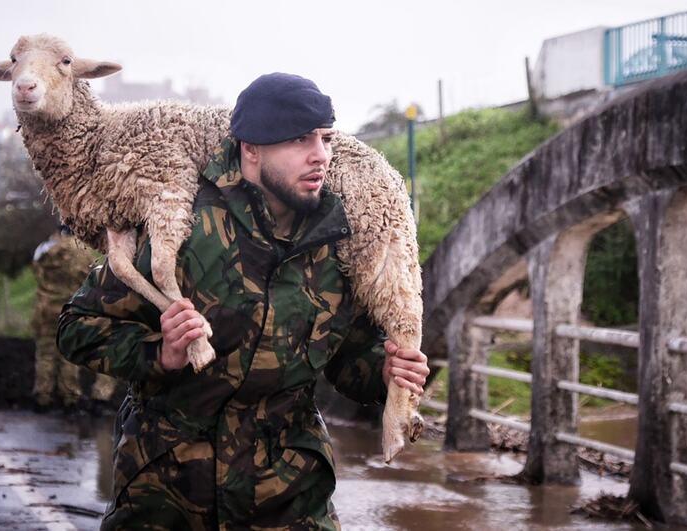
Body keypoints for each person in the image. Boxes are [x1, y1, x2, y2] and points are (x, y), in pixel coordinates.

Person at [57, 73, 430, 530]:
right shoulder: (182, 222)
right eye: (298, 140)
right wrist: (161, 354)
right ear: (250, 148)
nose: (321, 155)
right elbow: (77, 326)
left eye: (325, 138)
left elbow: (349, 358)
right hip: (171, 496)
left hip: (290, 498)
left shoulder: (339, 238)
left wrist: (384, 372)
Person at [31, 227, 117, 411]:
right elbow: (93, 277)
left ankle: (42, 396)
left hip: (45, 308)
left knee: (45, 352)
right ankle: (70, 397)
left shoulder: (45, 248)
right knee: (68, 353)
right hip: (71, 309)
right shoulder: (83, 251)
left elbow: (36, 270)